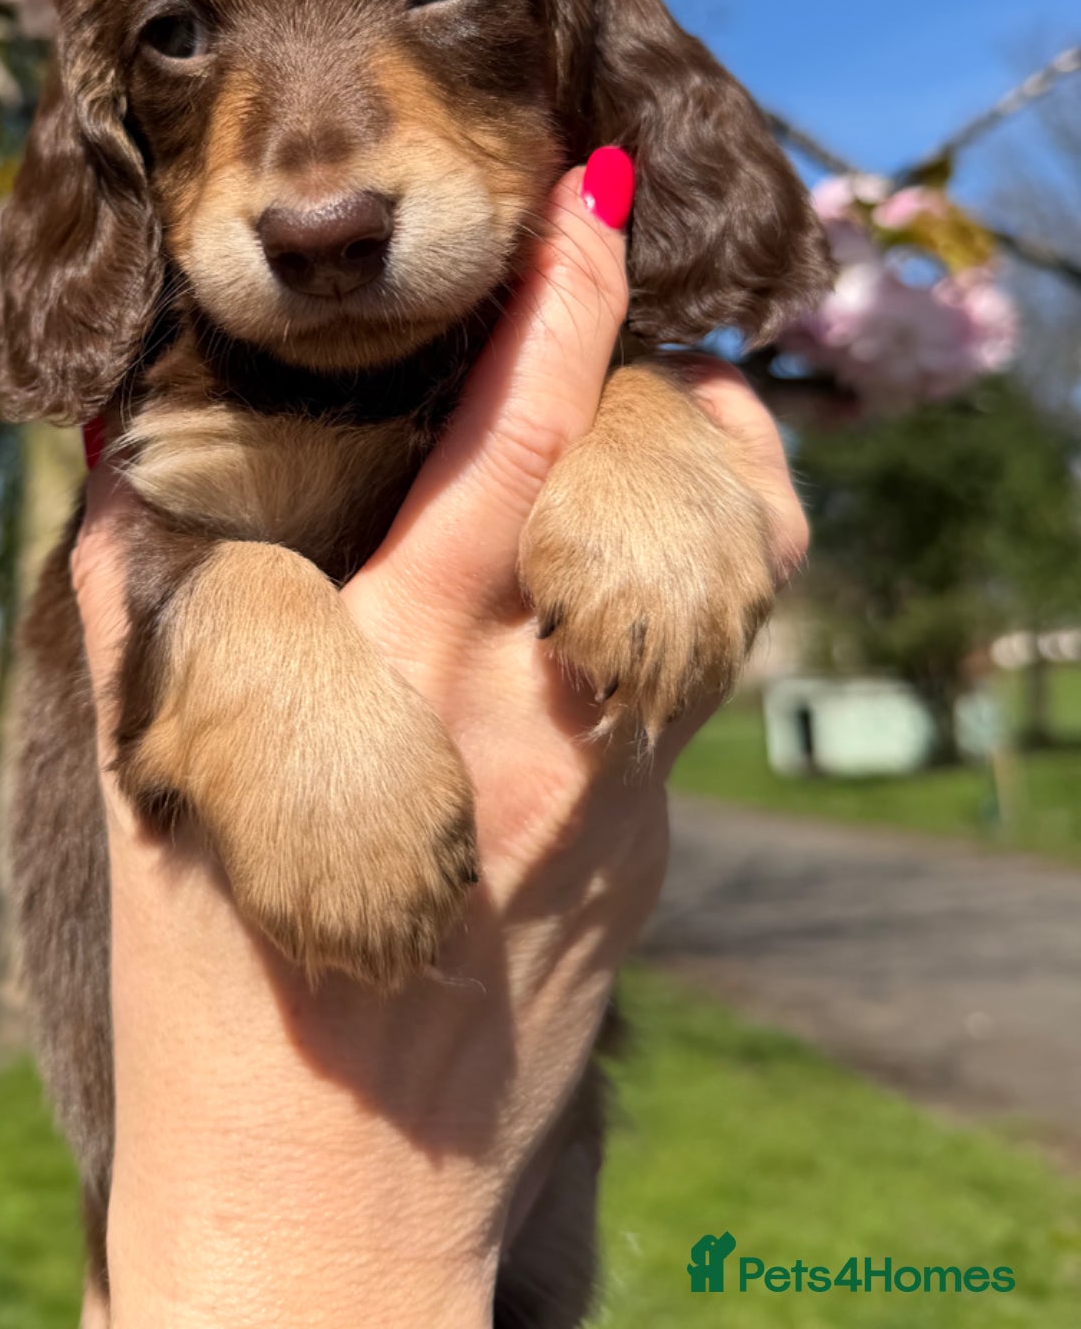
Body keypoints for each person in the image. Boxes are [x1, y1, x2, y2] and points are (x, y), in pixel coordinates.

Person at [71, 162, 808, 1327]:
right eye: (175, 34)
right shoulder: (196, 401)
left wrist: (645, 422)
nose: (321, 199)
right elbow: (156, 576)